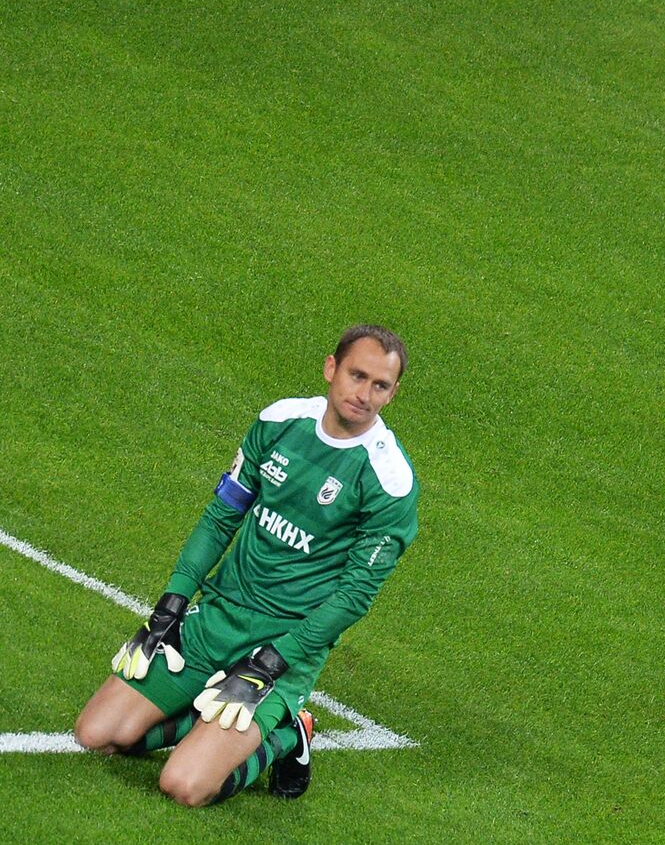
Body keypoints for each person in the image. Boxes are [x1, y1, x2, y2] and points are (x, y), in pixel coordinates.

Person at [74, 325, 420, 807]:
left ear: (393, 392)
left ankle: (287, 734)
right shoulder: (280, 422)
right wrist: (171, 604)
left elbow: (353, 596)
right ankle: (205, 718)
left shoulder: (389, 482)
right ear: (330, 369)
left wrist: (274, 660)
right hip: (217, 616)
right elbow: (222, 516)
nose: (364, 394)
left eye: (380, 385)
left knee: (185, 785)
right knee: (99, 734)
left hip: (283, 645)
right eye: (356, 375)